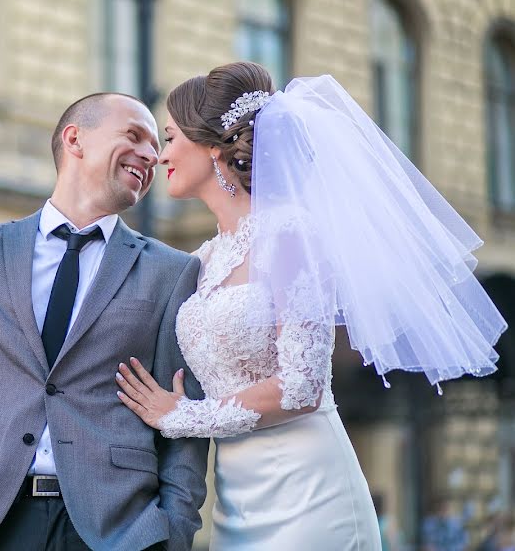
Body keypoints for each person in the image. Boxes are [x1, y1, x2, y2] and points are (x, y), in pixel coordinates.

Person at [116, 62, 506, 549]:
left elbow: (302, 387)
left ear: (213, 145)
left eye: (170, 138)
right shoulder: (204, 259)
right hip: (236, 498)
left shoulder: (291, 236)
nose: (160, 155)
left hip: (309, 494)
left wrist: (182, 416)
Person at [0, 92, 210, 551]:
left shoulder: (172, 272)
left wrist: (172, 532)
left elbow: (183, 418)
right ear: (75, 139)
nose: (153, 154)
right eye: (134, 135)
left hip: (115, 532)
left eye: (155, 143)